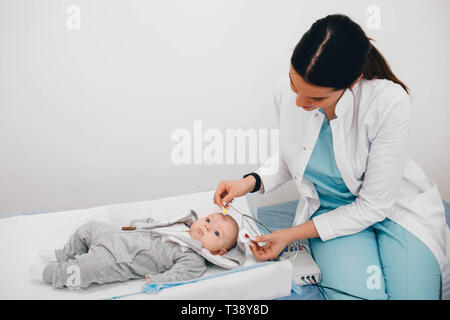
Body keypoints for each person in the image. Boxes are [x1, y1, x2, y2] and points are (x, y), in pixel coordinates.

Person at [213, 14, 449, 300]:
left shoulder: (387, 103)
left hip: (393, 210)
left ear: (353, 82)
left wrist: (290, 234)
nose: (300, 102)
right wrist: (250, 181)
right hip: (331, 215)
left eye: (315, 99)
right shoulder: (286, 94)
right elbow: (295, 157)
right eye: (294, 85)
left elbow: (373, 206)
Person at [29, 211, 240, 289]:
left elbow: (181, 275)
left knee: (88, 269)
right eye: (209, 220)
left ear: (218, 252)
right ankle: (64, 253)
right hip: (117, 233)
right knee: (89, 226)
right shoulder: (180, 224)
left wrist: (159, 281)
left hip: (119, 258)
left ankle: (53, 274)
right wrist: (131, 225)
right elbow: (151, 223)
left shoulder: (193, 257)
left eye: (216, 233)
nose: (207, 226)